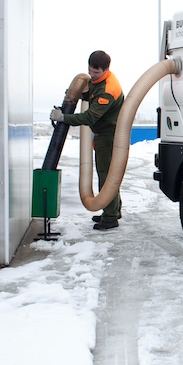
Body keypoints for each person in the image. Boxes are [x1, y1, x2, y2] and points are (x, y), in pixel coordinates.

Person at [51, 50, 124, 230]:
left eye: (96, 72)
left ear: (106, 69)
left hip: (109, 137)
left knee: (107, 176)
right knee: (109, 175)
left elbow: (89, 117)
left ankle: (110, 217)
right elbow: (92, 92)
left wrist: (63, 118)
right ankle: (113, 210)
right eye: (90, 70)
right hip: (103, 135)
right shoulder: (99, 81)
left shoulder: (108, 90)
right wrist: (78, 93)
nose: (92, 75)